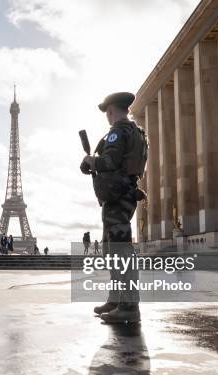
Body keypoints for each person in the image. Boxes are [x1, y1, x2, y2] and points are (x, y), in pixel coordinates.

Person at [81, 92, 147, 325]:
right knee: (111, 247)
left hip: (117, 195)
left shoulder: (119, 132)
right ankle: (117, 299)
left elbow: (110, 162)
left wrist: (91, 162)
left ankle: (129, 306)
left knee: (119, 250)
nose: (107, 117)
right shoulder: (136, 132)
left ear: (111, 111)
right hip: (124, 194)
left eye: (107, 113)